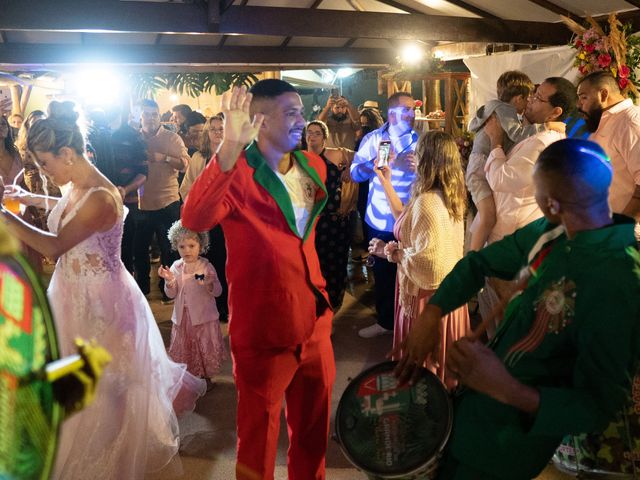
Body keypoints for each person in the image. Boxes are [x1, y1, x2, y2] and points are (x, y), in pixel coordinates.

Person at [394, 138, 640, 480]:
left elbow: (598, 405)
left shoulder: (618, 280)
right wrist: (433, 313)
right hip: (472, 414)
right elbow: (478, 264)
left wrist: (506, 388)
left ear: (551, 203)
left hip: (507, 447)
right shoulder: (554, 231)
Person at [0, 101, 205, 479]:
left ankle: (106, 461)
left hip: (101, 303)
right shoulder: (80, 185)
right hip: (73, 293)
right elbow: (69, 210)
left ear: (66, 153)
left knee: (104, 388)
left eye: (45, 163)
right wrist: (32, 199)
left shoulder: (101, 196)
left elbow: (54, 245)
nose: (44, 171)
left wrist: (5, 217)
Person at [181, 80, 335, 480]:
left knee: (313, 430)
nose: (302, 121)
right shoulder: (237, 172)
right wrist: (229, 147)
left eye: (302, 112)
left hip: (315, 318)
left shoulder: (312, 166)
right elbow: (194, 220)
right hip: (264, 325)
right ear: (260, 121)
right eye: (291, 113)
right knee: (258, 437)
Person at [371, 131, 470, 389]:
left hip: (426, 299)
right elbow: (406, 221)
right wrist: (386, 181)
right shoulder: (448, 196)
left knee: (425, 377)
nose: (414, 156)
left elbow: (429, 263)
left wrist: (390, 252)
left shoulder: (427, 201)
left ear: (427, 159)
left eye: (419, 152)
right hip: (447, 296)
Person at [480, 77, 575, 332]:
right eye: (532, 95)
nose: (530, 101)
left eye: (538, 98)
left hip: (512, 235)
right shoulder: (540, 136)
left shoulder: (543, 143)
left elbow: (503, 179)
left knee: (511, 315)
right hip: (513, 231)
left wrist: (495, 141)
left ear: (556, 111)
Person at [351, 91, 418, 338]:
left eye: (413, 109)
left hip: (411, 218)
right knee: (383, 271)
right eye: (406, 109)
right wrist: (377, 165)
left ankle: (409, 320)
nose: (411, 114)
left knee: (410, 270)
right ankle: (386, 321)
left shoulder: (419, 139)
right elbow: (355, 173)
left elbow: (432, 176)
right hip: (379, 219)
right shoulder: (373, 138)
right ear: (391, 113)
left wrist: (420, 167)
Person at [467, 71, 545, 251]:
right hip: (480, 167)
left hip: (479, 164)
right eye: (528, 99)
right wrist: (546, 126)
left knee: (486, 215)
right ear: (518, 98)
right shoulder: (504, 110)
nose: (528, 104)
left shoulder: (493, 108)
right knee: (488, 217)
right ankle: (471, 260)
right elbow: (517, 135)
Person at [159, 220, 227, 381]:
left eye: (191, 246)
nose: (187, 250)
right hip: (183, 318)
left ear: (200, 246)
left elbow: (218, 292)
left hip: (203, 318)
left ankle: (206, 377)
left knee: (202, 347)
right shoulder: (176, 267)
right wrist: (169, 281)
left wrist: (210, 284)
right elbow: (171, 294)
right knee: (187, 348)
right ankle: (191, 377)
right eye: (182, 247)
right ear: (176, 246)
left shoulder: (206, 266)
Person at [135, 99, 189, 300]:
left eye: (154, 114)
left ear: (159, 116)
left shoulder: (172, 138)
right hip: (140, 203)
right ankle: (142, 289)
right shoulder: (134, 139)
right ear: (140, 116)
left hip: (167, 201)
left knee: (169, 250)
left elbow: (185, 165)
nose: (150, 118)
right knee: (139, 250)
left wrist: (164, 158)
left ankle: (168, 289)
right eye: (146, 114)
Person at [180, 113, 229, 322]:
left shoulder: (235, 155)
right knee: (210, 263)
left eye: (221, 128)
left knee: (229, 263)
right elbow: (187, 188)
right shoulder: (199, 158)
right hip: (207, 221)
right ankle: (214, 306)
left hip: (228, 220)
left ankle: (229, 304)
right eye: (213, 129)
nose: (217, 132)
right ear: (207, 133)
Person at [305, 120, 356, 310]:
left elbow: (363, 159)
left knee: (335, 266)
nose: (312, 136)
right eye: (309, 132)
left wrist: (352, 169)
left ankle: (332, 306)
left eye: (317, 133)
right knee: (313, 265)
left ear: (325, 137)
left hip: (336, 222)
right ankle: (315, 304)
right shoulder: (300, 158)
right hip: (312, 221)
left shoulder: (335, 154)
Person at [576, 71, 640, 223]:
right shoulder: (604, 121)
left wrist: (620, 227)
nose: (579, 105)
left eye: (584, 97)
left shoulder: (630, 122)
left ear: (603, 94)